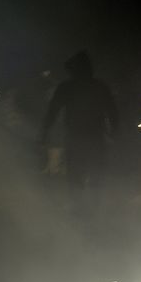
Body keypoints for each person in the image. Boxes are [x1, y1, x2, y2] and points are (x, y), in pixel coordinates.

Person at [41, 50, 117, 214]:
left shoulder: (69, 87)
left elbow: (52, 112)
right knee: (88, 177)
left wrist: (43, 132)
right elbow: (112, 112)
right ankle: (86, 210)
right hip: (89, 138)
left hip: (82, 138)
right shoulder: (97, 86)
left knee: (80, 177)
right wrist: (115, 133)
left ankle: (83, 210)